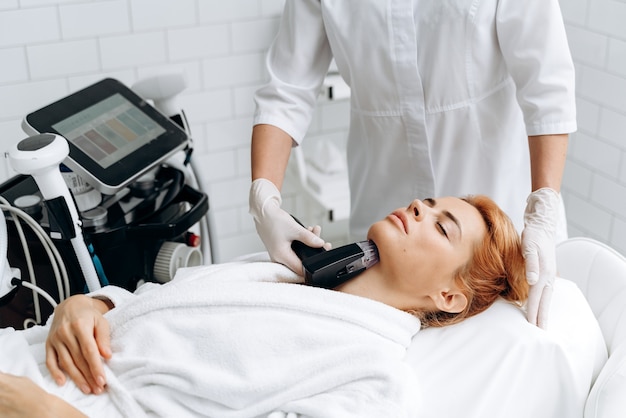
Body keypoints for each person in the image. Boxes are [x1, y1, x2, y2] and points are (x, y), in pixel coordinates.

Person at [0, 195, 527, 417]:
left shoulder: (376, 382)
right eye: (430, 200)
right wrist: (88, 303)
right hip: (32, 357)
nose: (419, 205)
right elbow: (150, 301)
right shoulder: (286, 271)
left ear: (450, 296)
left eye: (440, 225)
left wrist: (50, 413)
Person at [248, 0, 576, 329]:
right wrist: (265, 197)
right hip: (382, 211)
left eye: (441, 224)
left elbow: (547, 86)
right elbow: (286, 92)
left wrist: (544, 205)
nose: (418, 207)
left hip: (503, 227)